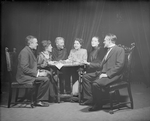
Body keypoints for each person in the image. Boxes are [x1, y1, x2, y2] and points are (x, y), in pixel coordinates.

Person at [88, 33, 125, 111]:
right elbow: (103, 64)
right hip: (103, 72)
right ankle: (94, 100)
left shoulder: (119, 50)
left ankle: (98, 105)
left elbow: (119, 66)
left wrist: (106, 74)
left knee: (95, 84)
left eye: (105, 40)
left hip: (115, 75)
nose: (103, 42)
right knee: (88, 78)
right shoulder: (107, 50)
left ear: (109, 41)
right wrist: (100, 72)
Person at [16, 35, 50, 107]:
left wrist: (39, 71)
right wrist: (38, 74)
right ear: (30, 43)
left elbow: (30, 66)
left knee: (47, 74)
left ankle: (36, 98)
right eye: (36, 43)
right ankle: (38, 100)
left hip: (27, 75)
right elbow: (24, 69)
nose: (37, 44)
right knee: (45, 80)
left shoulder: (29, 51)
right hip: (23, 77)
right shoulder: (25, 52)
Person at [81, 36, 106, 105]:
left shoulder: (101, 50)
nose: (93, 42)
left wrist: (88, 63)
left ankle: (91, 98)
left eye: (95, 41)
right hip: (93, 70)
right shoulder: (91, 51)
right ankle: (89, 98)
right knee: (84, 76)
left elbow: (99, 64)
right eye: (92, 41)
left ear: (98, 42)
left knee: (85, 77)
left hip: (100, 71)